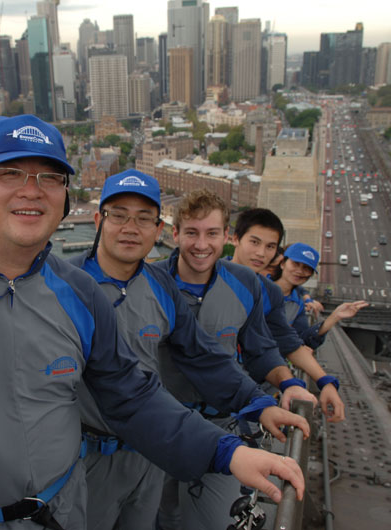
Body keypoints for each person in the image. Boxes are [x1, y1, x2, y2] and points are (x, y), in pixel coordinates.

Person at [0, 116, 304, 530]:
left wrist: (228, 451)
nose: (31, 189)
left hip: (64, 513)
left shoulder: (78, 293)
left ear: (64, 199)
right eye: (9, 173)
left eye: (50, 177)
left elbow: (132, 395)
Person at [67, 172, 309, 530]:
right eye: (119, 214)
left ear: (158, 228)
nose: (131, 228)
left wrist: (258, 404)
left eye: (144, 218)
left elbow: (201, 354)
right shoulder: (64, 284)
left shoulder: (159, 285)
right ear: (98, 219)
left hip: (150, 452)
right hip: (88, 457)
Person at [152, 189, 317, 530]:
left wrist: (289, 383)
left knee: (213, 520)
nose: (201, 244)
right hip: (161, 425)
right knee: (163, 515)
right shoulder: (149, 283)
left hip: (221, 425)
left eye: (212, 233)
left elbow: (259, 349)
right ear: (175, 234)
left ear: (226, 237)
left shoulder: (246, 284)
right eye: (192, 233)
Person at [231, 208, 346, 423]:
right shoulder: (207, 279)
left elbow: (288, 342)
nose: (261, 253)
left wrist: (325, 381)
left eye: (270, 247)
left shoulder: (269, 292)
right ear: (235, 238)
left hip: (240, 392)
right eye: (254, 242)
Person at [272, 243, 369, 347]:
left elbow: (301, 339)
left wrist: (334, 317)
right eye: (295, 264)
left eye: (306, 268)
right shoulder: (259, 286)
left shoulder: (298, 304)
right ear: (282, 264)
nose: (300, 271)